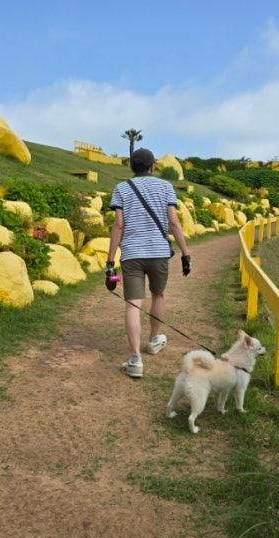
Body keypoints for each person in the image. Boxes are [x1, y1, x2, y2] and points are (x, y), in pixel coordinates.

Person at [105, 148, 191, 378]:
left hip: (132, 253)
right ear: (152, 166)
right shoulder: (166, 187)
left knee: (133, 305)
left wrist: (110, 260)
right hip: (158, 252)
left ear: (132, 167)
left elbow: (118, 226)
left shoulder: (122, 188)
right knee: (158, 295)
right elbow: (173, 221)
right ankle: (154, 341)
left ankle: (135, 360)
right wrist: (185, 253)